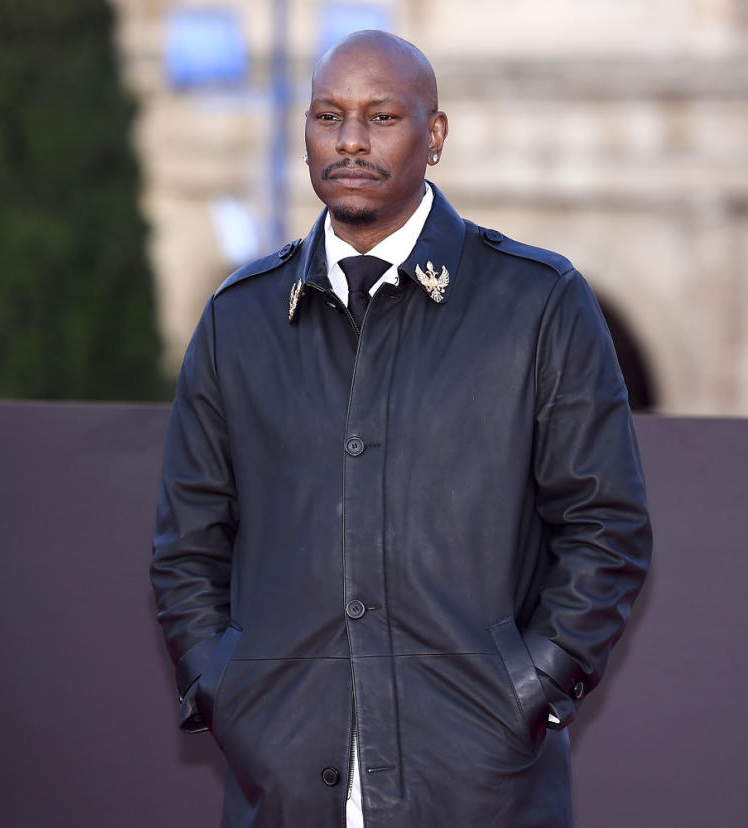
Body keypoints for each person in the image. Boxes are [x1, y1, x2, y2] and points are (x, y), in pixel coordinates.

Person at [151, 30, 652, 828]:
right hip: (282, 788)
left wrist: (529, 690)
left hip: (477, 790)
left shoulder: (538, 303)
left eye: (381, 116)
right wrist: (227, 686)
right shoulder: (238, 319)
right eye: (327, 115)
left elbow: (607, 529)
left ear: (435, 135)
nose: (350, 140)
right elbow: (188, 546)